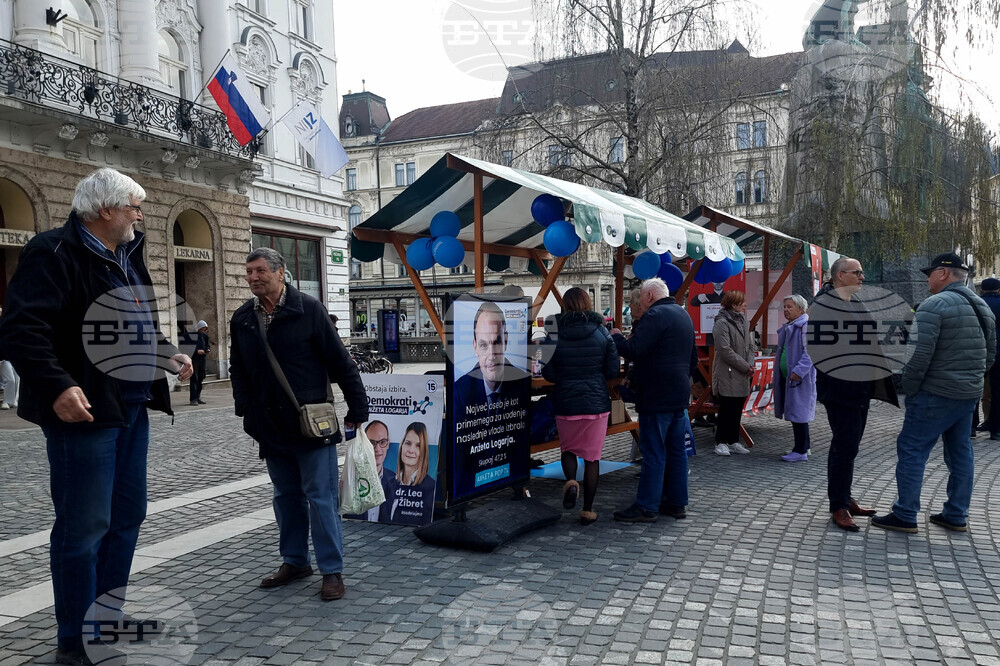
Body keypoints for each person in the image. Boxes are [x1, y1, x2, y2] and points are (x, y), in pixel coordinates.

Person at [0, 167, 193, 666]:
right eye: (133, 205)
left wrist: (167, 352)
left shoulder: (128, 253)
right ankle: (74, 639)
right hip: (82, 412)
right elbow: (21, 329)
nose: (139, 213)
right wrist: (58, 384)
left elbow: (136, 323)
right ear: (105, 210)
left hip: (130, 407)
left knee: (127, 518)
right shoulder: (52, 252)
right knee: (84, 528)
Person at [229, 247, 368, 601]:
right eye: (249, 273)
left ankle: (332, 571)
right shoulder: (243, 317)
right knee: (285, 496)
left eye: (260, 271)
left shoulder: (308, 308)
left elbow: (340, 361)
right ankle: (295, 561)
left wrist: (358, 406)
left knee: (320, 498)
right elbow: (238, 369)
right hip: (270, 425)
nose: (253, 278)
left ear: (280, 272)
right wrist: (245, 408)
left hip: (311, 423)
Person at [873, 253, 996, 533]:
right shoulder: (981, 306)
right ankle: (955, 514)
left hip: (934, 394)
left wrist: (912, 389)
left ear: (943, 273)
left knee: (912, 450)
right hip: (967, 394)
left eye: (930, 273)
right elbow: (990, 355)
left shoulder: (933, 305)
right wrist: (972, 381)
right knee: (961, 453)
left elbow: (918, 357)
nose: (927, 279)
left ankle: (905, 514)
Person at [811, 256, 898, 532]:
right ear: (839, 276)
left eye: (862, 272)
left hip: (860, 386)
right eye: (856, 272)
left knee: (850, 446)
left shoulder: (854, 302)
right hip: (840, 388)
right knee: (844, 444)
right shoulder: (824, 305)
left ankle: (845, 497)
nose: (862, 277)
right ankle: (838, 505)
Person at [610, 277, 698, 522]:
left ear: (649, 296)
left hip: (656, 395)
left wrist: (617, 337)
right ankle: (677, 503)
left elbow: (634, 349)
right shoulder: (683, 315)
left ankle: (647, 506)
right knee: (677, 451)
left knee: (654, 451)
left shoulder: (655, 315)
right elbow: (692, 360)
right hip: (678, 393)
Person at [541, 287, 620, 525]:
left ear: (565, 306)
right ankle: (588, 509)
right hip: (596, 403)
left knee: (568, 449)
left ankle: (572, 482)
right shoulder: (602, 332)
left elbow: (548, 372)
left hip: (566, 402)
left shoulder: (553, 334)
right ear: (588, 303)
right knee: (593, 458)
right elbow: (612, 370)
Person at [452, 301, 519, 421]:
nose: (492, 355)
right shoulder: (460, 392)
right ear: (475, 347)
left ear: (506, 342)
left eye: (497, 342)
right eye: (483, 345)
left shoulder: (522, 383)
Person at [711, 290, 754, 456]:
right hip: (727, 372)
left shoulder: (744, 320)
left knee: (737, 408)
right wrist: (745, 366)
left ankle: (734, 440)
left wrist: (750, 364)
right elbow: (724, 350)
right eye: (742, 302)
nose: (745, 304)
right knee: (726, 408)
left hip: (742, 372)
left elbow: (750, 346)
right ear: (734, 304)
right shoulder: (721, 323)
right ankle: (720, 442)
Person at [773, 295, 816, 462]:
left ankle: (801, 450)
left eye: (789, 307)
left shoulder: (805, 326)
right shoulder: (792, 326)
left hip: (799, 378)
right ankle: (804, 446)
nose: (785, 310)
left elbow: (811, 352)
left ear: (800, 309)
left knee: (800, 414)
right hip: (790, 377)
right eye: (784, 307)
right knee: (797, 413)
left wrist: (798, 371)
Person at [343, 420, 395, 522]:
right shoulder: (352, 477)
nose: (377, 449)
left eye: (382, 442)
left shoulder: (395, 480)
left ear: (388, 443)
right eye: (372, 443)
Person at [387, 421, 436, 525]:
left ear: (424, 451)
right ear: (402, 445)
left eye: (418, 446)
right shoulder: (389, 483)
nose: (411, 450)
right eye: (408, 443)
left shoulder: (430, 488)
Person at [978, 278, 1000, 440]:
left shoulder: (976, 304)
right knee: (998, 391)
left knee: (975, 389)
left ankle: (970, 427)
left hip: (978, 352)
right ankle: (996, 428)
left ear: (982, 290)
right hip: (999, 355)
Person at [189, 320, 210, 406]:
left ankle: (198, 396)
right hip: (194, 359)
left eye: (204, 329)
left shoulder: (205, 336)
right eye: (202, 329)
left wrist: (207, 349)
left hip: (202, 359)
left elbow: (207, 345)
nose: (203, 331)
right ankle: (193, 398)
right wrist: (197, 351)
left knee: (201, 377)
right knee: (194, 378)